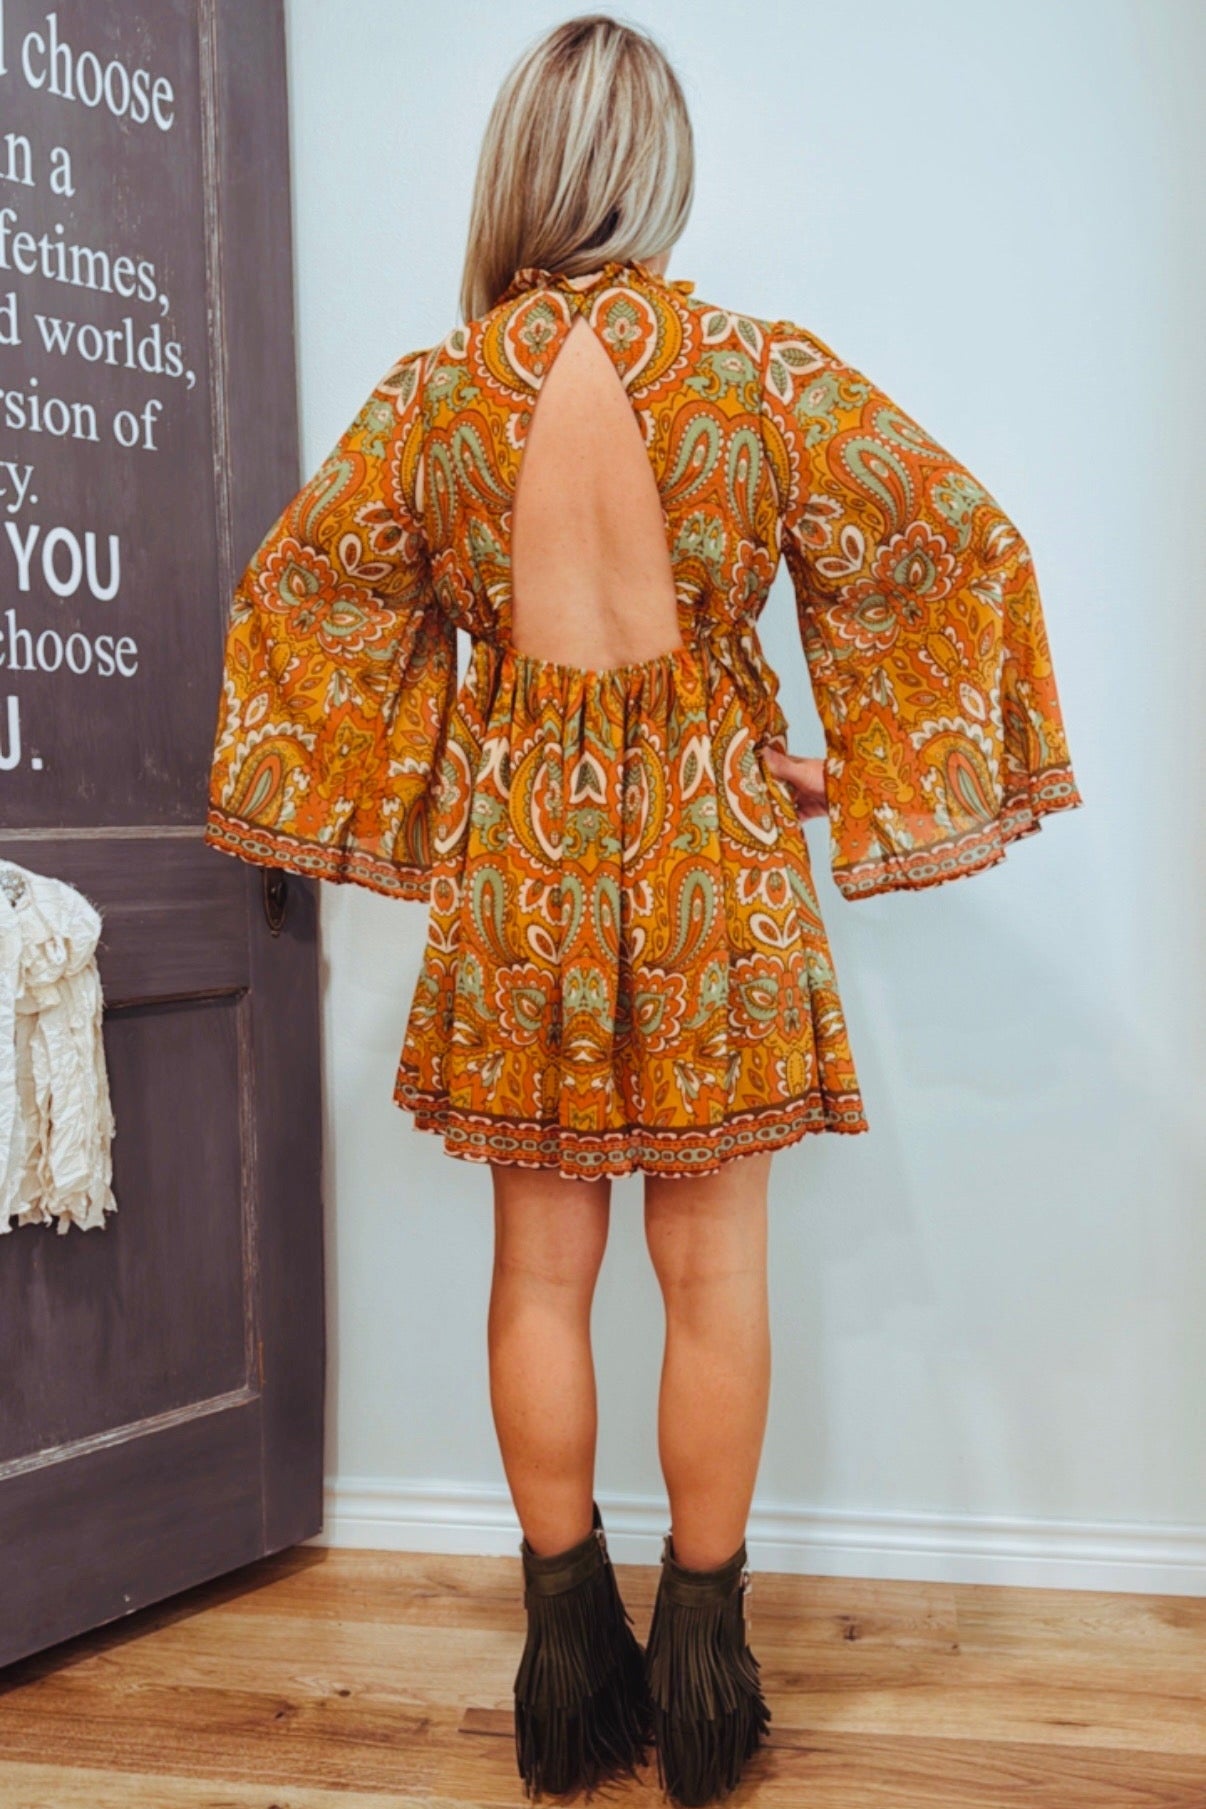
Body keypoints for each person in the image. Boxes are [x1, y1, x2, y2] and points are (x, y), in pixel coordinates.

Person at [202, 12, 1083, 1804]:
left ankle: (562, 1673)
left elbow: (297, 595)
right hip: (714, 872)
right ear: (656, 172)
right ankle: (701, 1676)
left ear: (524, 165)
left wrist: (437, 777)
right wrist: (863, 760)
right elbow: (949, 541)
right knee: (717, 1278)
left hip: (524, 875)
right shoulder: (751, 374)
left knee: (539, 1270)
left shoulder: (438, 397)